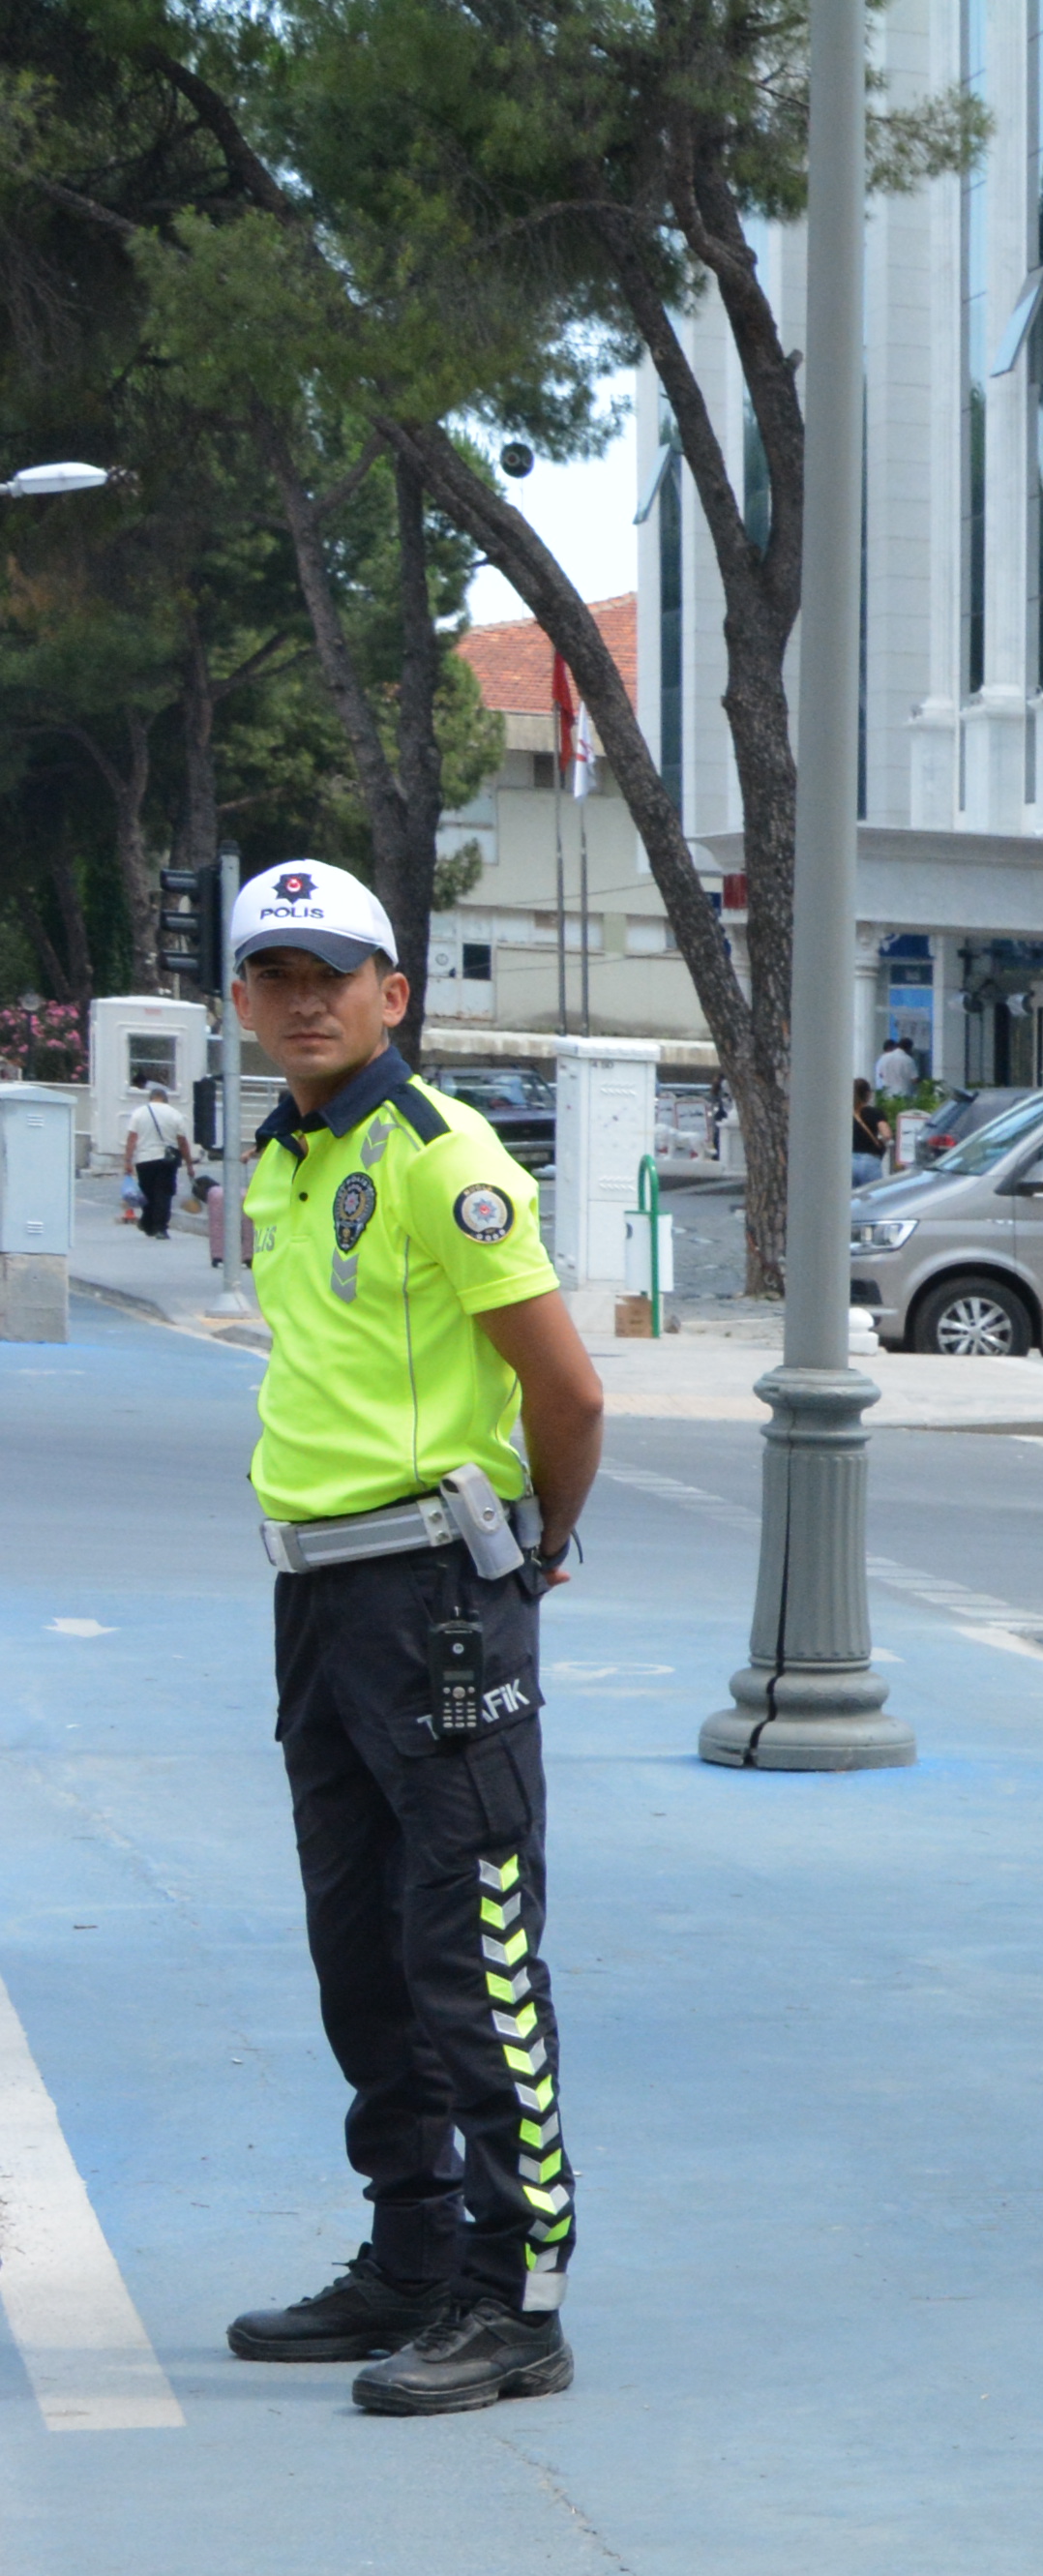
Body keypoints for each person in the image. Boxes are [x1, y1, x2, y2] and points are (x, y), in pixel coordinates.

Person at [214, 858, 605, 2419]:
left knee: (472, 1952)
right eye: (274, 974)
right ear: (240, 1001)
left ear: (395, 991)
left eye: (334, 971)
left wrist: (540, 1548)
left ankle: (518, 2304)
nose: (305, 1000)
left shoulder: (442, 1155)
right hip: (317, 1591)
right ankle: (410, 2254)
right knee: (359, 1949)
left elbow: (567, 1391)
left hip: (441, 1592)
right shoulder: (282, 1159)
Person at [119, 1070, 185, 1238]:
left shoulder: (139, 1113)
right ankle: (161, 1227)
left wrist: (128, 1161)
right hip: (167, 1159)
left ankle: (148, 1223)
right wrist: (189, 1164)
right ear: (165, 1098)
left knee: (147, 1192)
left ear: (151, 1098)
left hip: (144, 1159)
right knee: (164, 1193)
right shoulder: (175, 1114)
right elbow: (182, 1141)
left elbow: (132, 1139)